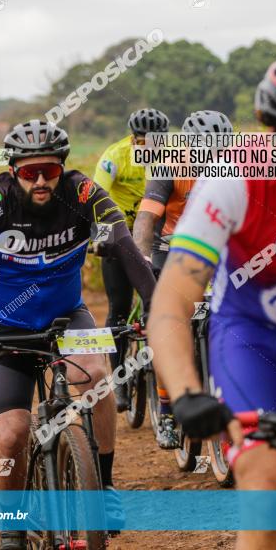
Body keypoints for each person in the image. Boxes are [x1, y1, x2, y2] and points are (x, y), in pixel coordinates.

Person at [148, 55, 276, 550]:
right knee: (269, 487)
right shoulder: (234, 178)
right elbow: (172, 299)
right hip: (254, 344)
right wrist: (188, 392)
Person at [0, 119, 155, 550]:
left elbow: (127, 248)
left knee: (97, 374)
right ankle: (11, 527)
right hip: (4, 326)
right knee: (12, 433)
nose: (40, 180)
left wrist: (156, 307)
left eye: (50, 171)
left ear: (63, 167)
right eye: (29, 171)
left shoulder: (82, 194)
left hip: (65, 318)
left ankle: (105, 486)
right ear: (14, 170)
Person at [132, 110, 233, 449]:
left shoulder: (237, 169)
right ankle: (167, 412)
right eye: (205, 153)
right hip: (170, 248)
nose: (212, 161)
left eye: (219, 153)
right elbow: (146, 219)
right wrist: (142, 257)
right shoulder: (168, 166)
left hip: (217, 247)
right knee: (174, 324)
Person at [93, 107, 169, 412]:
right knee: (119, 309)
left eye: (156, 141)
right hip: (119, 235)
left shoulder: (173, 156)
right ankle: (119, 379)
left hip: (156, 233)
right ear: (132, 139)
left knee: (164, 304)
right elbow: (96, 196)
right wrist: (100, 237)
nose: (149, 147)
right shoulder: (115, 156)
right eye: (143, 141)